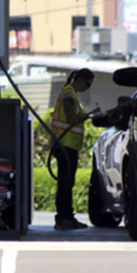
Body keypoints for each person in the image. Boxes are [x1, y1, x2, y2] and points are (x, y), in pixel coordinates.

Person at [50, 67, 95, 230]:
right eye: (88, 84)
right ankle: (63, 218)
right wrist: (89, 115)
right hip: (65, 145)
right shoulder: (69, 94)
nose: (87, 88)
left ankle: (67, 216)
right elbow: (71, 118)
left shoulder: (71, 94)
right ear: (80, 80)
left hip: (67, 146)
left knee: (67, 183)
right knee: (65, 183)